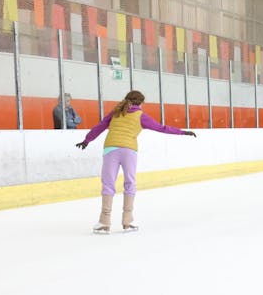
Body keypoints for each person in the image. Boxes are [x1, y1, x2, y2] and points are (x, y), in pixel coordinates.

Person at [76, 89, 194, 233]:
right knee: (130, 182)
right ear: (140, 103)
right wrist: (182, 132)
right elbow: (161, 128)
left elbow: (99, 127)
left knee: (108, 183)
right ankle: (128, 221)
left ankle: (104, 222)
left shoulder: (115, 112)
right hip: (129, 151)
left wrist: (86, 140)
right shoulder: (141, 116)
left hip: (110, 149)